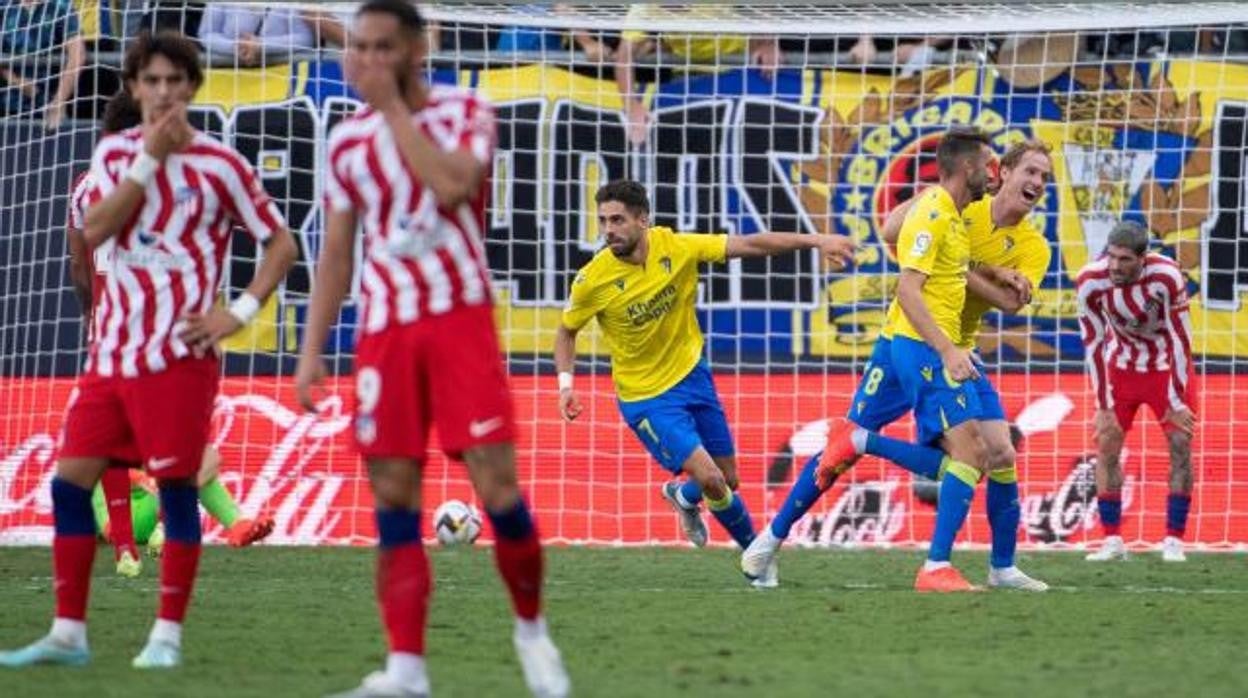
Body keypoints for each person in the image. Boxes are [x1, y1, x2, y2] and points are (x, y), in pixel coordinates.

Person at [293, 3, 569, 696]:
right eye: (357, 47)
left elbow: (453, 185)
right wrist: (311, 350)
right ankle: (406, 669)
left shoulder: (464, 111)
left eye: (382, 48)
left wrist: (392, 112)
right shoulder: (346, 141)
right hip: (385, 332)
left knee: (497, 488)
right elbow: (336, 249)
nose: (365, 61)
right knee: (393, 497)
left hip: (458, 321)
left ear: (417, 50)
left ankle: (532, 634)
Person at [0, 30, 296, 669]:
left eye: (174, 81)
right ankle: (68, 632)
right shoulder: (112, 158)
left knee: (177, 488)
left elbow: (281, 242)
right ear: (134, 88)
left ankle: (165, 636)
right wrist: (147, 161)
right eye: (151, 81)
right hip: (111, 354)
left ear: (192, 86)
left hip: (179, 358)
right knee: (69, 486)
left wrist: (238, 311)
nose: (163, 92)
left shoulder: (222, 166)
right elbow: (97, 228)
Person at [742, 140, 1055, 592]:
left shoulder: (1032, 246)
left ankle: (1002, 566)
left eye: (1044, 178)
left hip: (947, 343)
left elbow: (1010, 304)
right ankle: (929, 565)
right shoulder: (955, 204)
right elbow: (892, 232)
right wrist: (974, 264)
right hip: (923, 341)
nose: (1037, 184)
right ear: (1001, 172)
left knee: (998, 452)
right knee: (941, 452)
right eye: (1030, 171)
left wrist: (972, 269)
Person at [555, 178, 855, 586]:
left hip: (693, 376)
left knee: (727, 479)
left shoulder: (676, 248)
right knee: (712, 477)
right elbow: (566, 331)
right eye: (603, 220)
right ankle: (758, 559)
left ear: (643, 220)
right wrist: (566, 384)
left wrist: (816, 240)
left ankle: (683, 496)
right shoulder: (593, 280)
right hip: (647, 397)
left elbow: (751, 244)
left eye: (618, 220)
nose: (609, 230)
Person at [65, 90, 275, 579]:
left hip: (112, 330)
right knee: (186, 445)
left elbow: (79, 262)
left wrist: (89, 315)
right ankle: (212, 530)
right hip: (163, 332)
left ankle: (125, 548)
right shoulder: (170, 183)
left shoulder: (86, 186)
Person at [1076, 221, 1194, 562]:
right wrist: (1103, 405)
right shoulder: (1090, 282)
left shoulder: (1167, 276)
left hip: (1166, 370)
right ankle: (1111, 540)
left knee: (1180, 444)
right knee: (1107, 445)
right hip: (1121, 369)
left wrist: (1175, 400)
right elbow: (1094, 344)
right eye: (1112, 257)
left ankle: (1174, 540)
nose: (1115, 266)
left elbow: (1180, 340)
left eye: (1125, 259)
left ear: (1143, 258)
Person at [614, 4, 780, 145]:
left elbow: (763, 7)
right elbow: (624, 56)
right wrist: (631, 105)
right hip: (684, 73)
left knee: (739, 139)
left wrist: (768, 43)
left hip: (734, 67)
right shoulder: (644, 7)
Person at [0, 0, 86, 129]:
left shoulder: (60, 6)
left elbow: (78, 54)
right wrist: (18, 82)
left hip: (48, 106)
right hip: (7, 105)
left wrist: (59, 101)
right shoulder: (4, 6)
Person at [198, 5, 316, 67]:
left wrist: (261, 46)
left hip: (280, 75)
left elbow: (306, 38)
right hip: (227, 76)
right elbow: (206, 34)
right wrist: (237, 47)